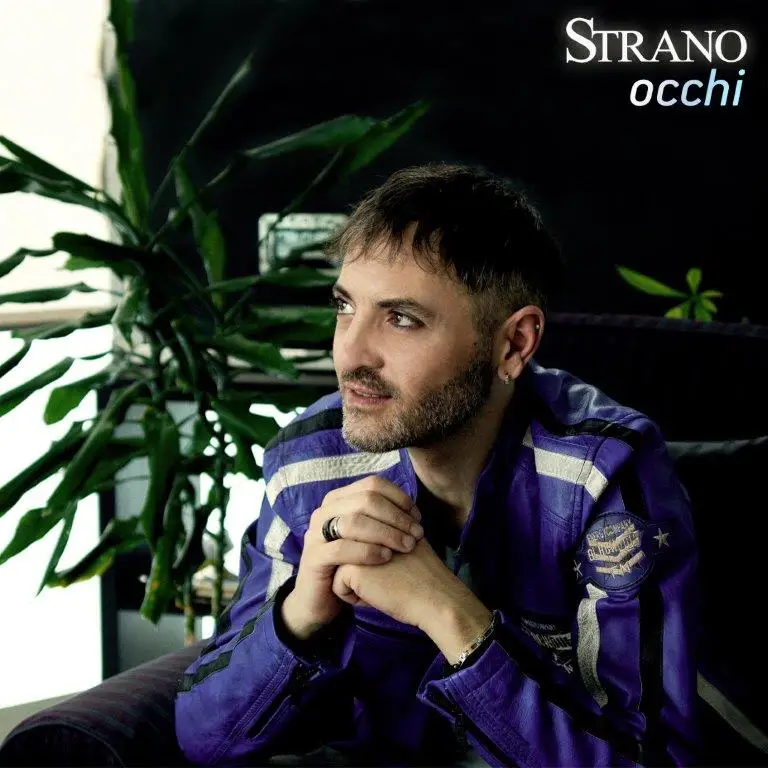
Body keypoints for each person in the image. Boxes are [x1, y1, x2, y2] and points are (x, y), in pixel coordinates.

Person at [174, 163, 699, 766]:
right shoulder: (309, 460)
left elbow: (655, 759)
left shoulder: (603, 473)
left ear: (513, 344)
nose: (350, 353)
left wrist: (447, 612)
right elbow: (204, 738)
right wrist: (302, 610)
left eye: (402, 318)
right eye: (345, 306)